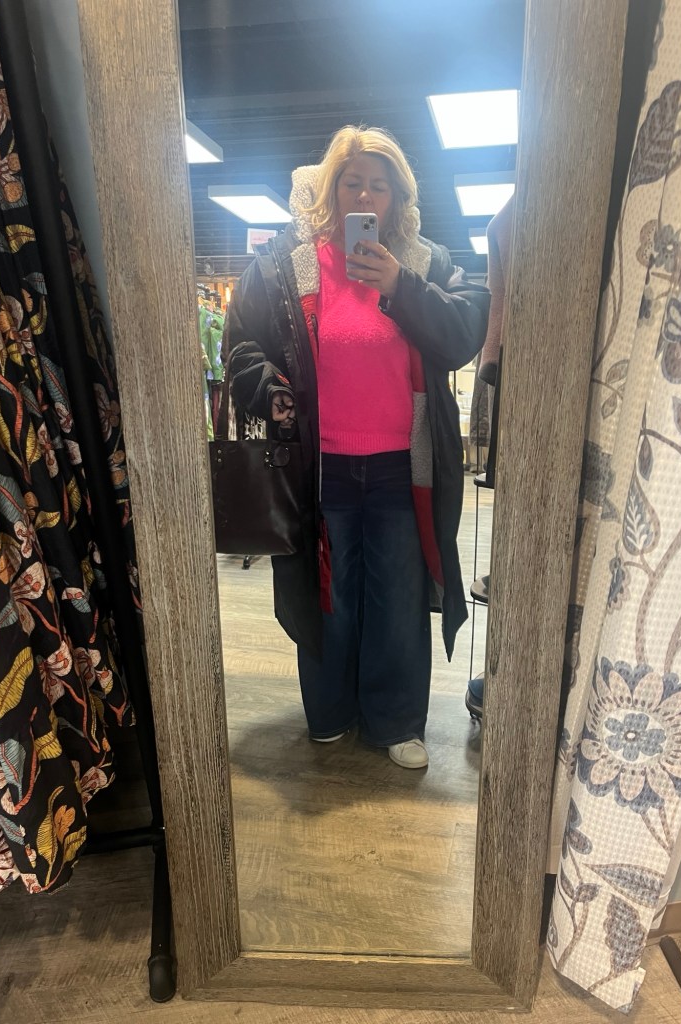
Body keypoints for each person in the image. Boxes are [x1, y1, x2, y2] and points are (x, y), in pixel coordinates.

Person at [226, 125, 490, 769]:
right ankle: (331, 712)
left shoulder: (425, 263)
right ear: (332, 190)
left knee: (397, 595)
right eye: (352, 182)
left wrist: (400, 285)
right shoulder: (287, 266)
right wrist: (272, 391)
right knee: (330, 594)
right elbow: (240, 344)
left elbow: (465, 330)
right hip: (322, 471)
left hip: (402, 467)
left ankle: (395, 722)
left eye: (379, 184)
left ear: (397, 198)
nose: (365, 194)